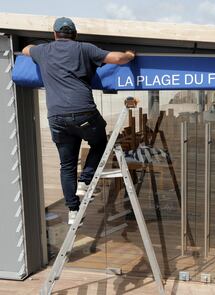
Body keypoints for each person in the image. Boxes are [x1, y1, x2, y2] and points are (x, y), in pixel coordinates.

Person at [22, 17, 136, 224]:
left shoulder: (43, 51)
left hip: (56, 117)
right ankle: (85, 180)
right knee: (101, 142)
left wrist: (35, 47)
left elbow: (26, 49)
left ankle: (73, 212)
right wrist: (130, 54)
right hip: (83, 112)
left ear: (55, 34)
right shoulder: (84, 49)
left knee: (66, 165)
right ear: (74, 34)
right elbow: (119, 59)